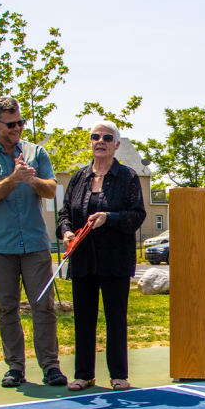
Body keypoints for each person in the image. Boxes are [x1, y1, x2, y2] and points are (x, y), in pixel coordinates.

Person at [0, 96, 68, 388]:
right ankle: (15, 368)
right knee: (7, 308)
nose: (17, 128)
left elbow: (51, 190)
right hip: (0, 246)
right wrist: (13, 178)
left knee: (44, 308)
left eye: (20, 122)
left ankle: (50, 366)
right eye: (11, 124)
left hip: (36, 245)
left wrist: (30, 180)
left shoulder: (36, 152)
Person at [56, 121, 146, 391]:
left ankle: (118, 374)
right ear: (90, 142)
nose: (100, 141)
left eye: (107, 137)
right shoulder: (78, 177)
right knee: (83, 318)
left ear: (117, 144)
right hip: (83, 259)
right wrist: (67, 233)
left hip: (115, 259)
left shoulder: (128, 176)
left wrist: (109, 218)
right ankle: (84, 375)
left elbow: (137, 215)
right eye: (95, 137)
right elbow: (63, 215)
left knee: (115, 319)